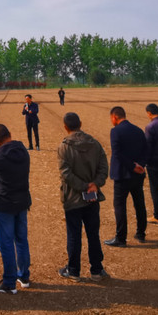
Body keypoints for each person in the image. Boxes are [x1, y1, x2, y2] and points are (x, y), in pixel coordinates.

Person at [56, 112, 108, 282]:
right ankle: (97, 269)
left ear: (65, 127)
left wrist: (84, 186)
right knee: (93, 234)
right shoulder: (95, 144)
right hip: (92, 197)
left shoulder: (64, 147)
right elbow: (104, 167)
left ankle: (73, 270)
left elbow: (65, 173)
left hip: (72, 198)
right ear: (81, 123)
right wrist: (94, 185)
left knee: (74, 234)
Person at [0, 123, 31, 294]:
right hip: (22, 202)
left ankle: (9, 282)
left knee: (6, 243)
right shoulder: (23, 150)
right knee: (21, 240)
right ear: (10, 134)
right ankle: (24, 276)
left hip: (4, 204)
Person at [105, 106, 148, 247]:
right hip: (138, 175)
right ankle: (141, 234)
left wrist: (131, 166)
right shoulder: (138, 130)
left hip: (122, 175)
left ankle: (121, 238)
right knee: (139, 204)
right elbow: (146, 150)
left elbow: (117, 153)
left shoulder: (115, 131)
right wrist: (140, 165)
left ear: (114, 117)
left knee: (120, 206)